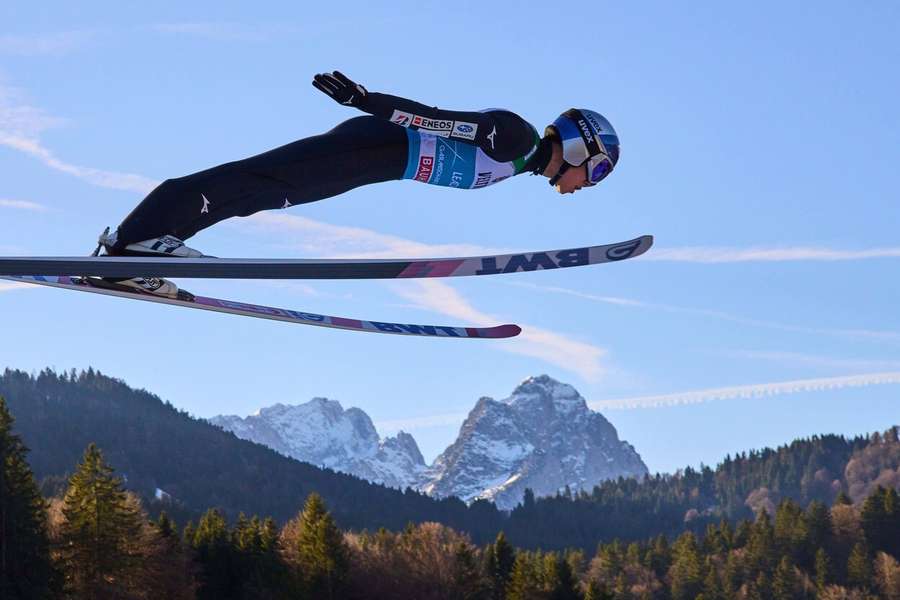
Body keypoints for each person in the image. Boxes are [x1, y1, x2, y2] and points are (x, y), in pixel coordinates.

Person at [96, 71, 621, 297]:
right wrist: (365, 100)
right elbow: (434, 120)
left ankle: (143, 255)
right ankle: (132, 242)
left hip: (369, 164)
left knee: (254, 194)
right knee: (249, 181)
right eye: (595, 170)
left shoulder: (518, 160)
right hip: (370, 148)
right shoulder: (518, 139)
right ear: (577, 146)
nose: (587, 184)